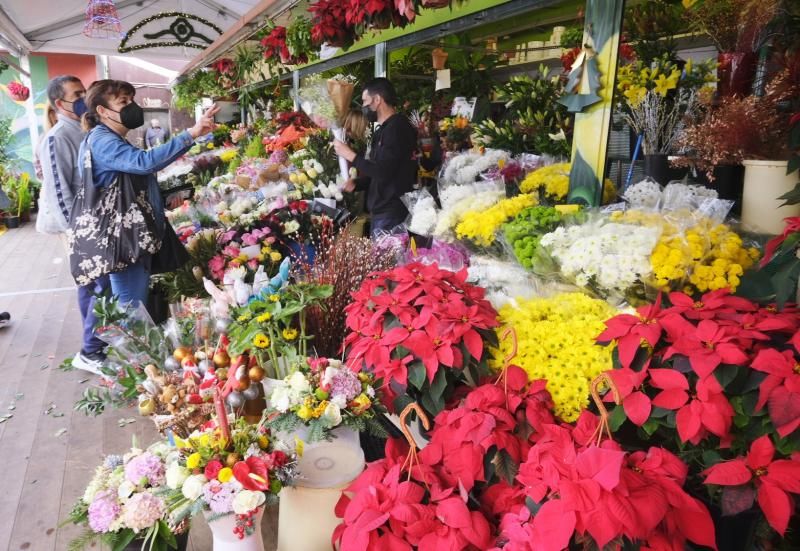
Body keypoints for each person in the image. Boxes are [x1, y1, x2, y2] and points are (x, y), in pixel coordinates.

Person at [77, 80, 218, 307]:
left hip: (125, 235)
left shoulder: (107, 138)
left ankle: (126, 339)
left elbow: (126, 184)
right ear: (102, 111)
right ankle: (127, 342)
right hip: (122, 238)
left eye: (132, 99)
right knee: (131, 309)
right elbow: (144, 163)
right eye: (123, 101)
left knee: (129, 303)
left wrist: (161, 200)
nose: (132, 106)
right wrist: (191, 133)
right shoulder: (102, 140)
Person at [36, 75, 111, 374]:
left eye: (84, 91)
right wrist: (79, 232)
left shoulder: (82, 129)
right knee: (98, 281)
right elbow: (58, 191)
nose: (84, 97)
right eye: (77, 94)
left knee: (90, 283)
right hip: (76, 225)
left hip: (91, 221)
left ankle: (96, 343)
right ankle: (90, 351)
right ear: (59, 103)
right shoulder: (57, 137)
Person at [333, 78, 418, 237]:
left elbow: (383, 172)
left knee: (389, 261)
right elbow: (380, 171)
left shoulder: (397, 128)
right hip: (381, 212)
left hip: (391, 212)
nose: (364, 107)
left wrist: (350, 154)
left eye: (365, 101)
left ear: (377, 99)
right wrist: (356, 184)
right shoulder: (383, 131)